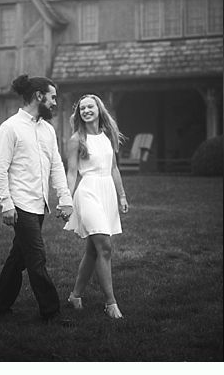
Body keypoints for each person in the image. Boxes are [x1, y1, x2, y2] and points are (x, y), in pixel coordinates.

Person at [0, 74, 74, 325]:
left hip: (39, 205)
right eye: (53, 97)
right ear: (39, 96)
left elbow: (57, 166)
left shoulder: (47, 130)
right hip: (20, 205)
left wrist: (64, 199)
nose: (55, 102)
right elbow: (0, 170)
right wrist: (6, 204)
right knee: (36, 259)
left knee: (19, 259)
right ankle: (51, 312)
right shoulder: (10, 127)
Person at [62, 94, 130, 319]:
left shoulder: (108, 136)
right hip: (88, 192)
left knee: (93, 250)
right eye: (82, 108)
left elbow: (114, 169)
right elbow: (72, 173)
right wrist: (66, 200)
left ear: (99, 109)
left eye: (90, 106)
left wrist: (121, 196)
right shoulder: (76, 139)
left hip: (107, 192)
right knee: (105, 247)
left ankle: (75, 296)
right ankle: (111, 304)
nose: (86, 110)